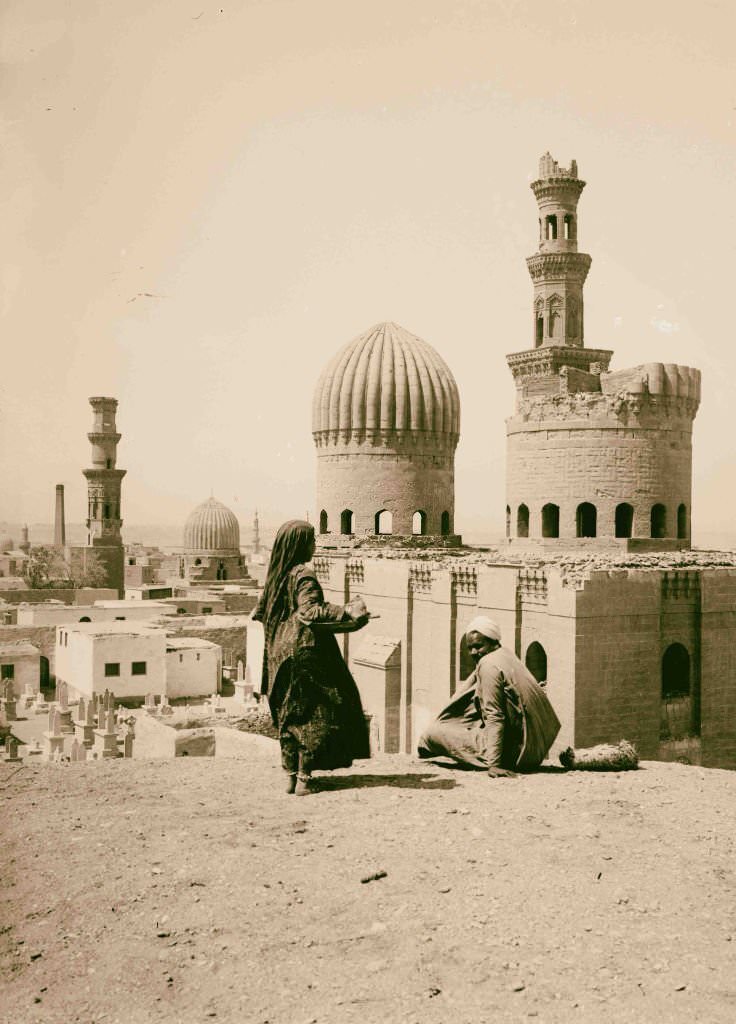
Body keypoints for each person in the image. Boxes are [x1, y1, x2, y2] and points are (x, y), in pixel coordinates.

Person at [251, 520, 371, 795]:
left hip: (278, 657)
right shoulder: (303, 575)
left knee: (288, 715)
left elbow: (259, 612)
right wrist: (348, 612)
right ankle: (306, 779)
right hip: (306, 655)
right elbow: (311, 612)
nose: (314, 546)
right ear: (300, 545)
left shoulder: (274, 578)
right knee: (317, 714)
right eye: (311, 541)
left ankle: (290, 777)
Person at [417, 616, 560, 777]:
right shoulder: (505, 655)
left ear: (492, 642)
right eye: (470, 648)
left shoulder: (488, 666)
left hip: (515, 756)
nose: (473, 652)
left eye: (478, 646)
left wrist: (494, 764)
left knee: (433, 733)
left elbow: (495, 716)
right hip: (534, 752)